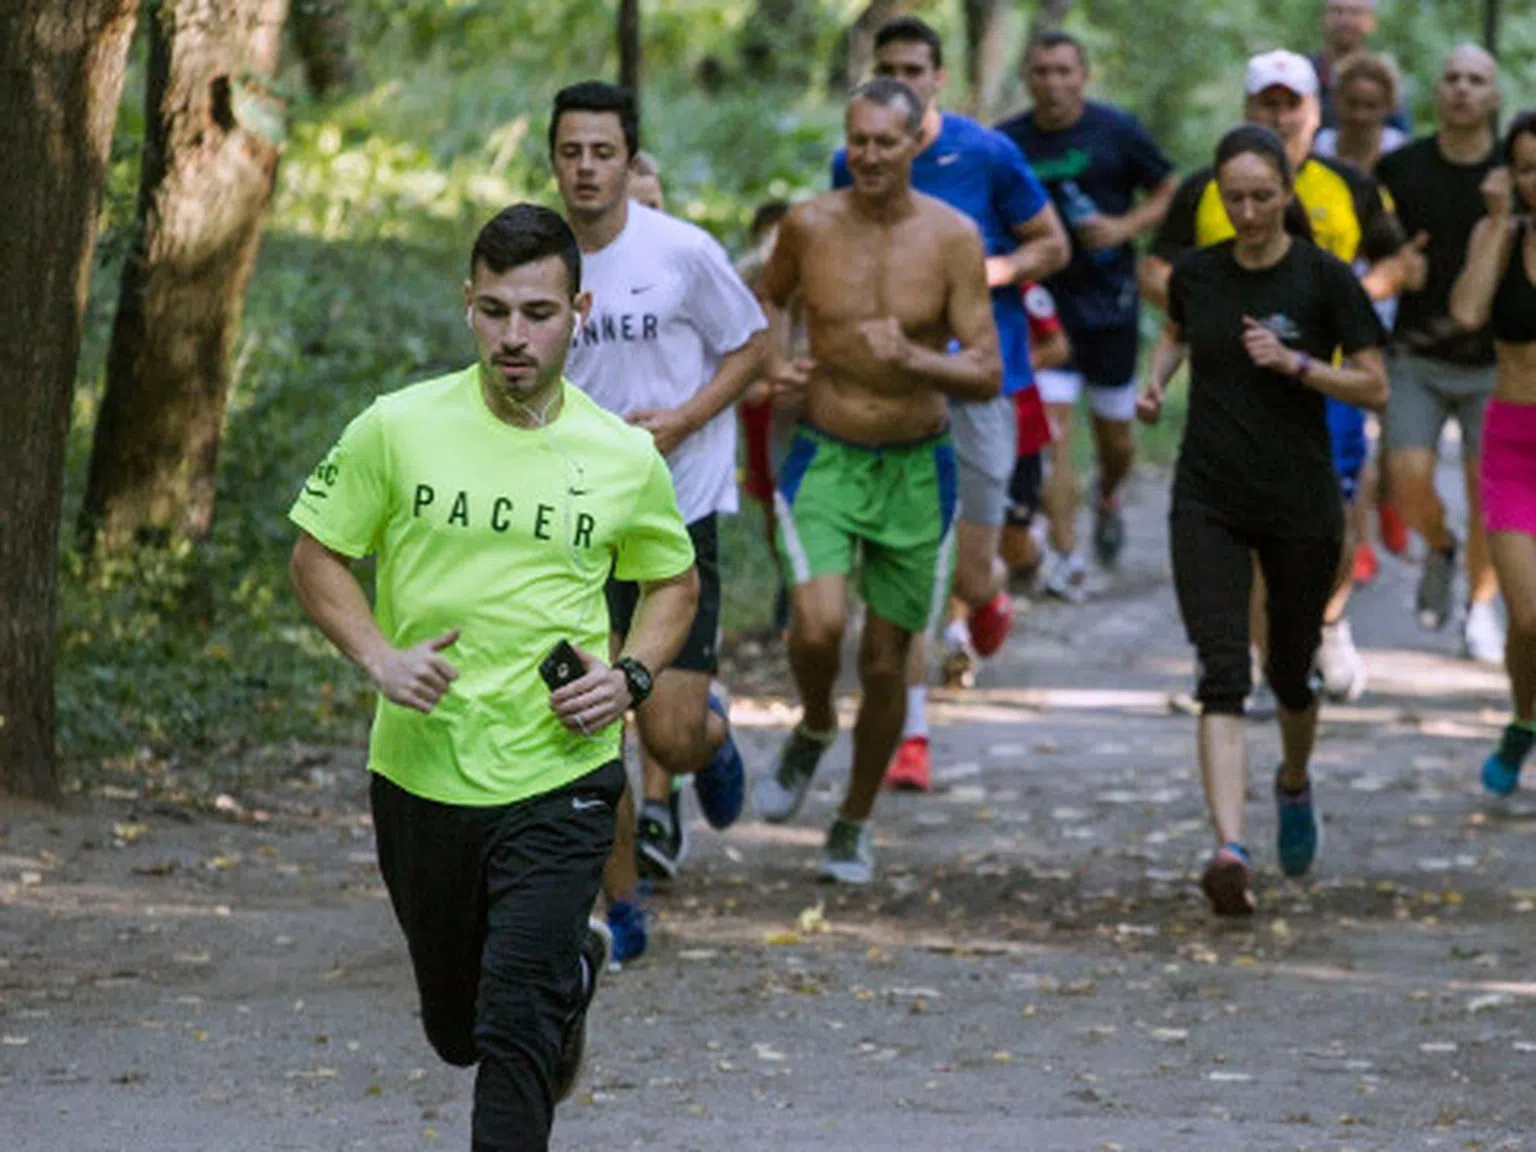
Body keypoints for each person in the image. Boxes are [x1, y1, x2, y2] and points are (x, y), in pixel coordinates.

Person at [286, 204, 700, 1148]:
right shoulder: (399, 427)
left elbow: (674, 580)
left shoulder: (623, 455)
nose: (516, 335)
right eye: (497, 311)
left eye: (539, 313)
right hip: (421, 769)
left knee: (514, 1026)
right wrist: (379, 655)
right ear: (467, 306)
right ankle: (574, 982)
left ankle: (553, 985)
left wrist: (631, 675)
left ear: (578, 311)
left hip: (561, 773)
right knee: (457, 1029)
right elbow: (317, 555)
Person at [752, 77, 1003, 881]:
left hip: (917, 468)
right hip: (826, 451)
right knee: (819, 626)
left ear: (913, 146)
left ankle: (853, 819)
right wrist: (775, 363)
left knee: (892, 664)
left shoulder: (954, 237)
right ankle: (816, 722)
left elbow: (989, 370)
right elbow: (768, 297)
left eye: (884, 142)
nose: (866, 155)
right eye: (856, 140)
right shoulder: (808, 224)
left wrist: (917, 359)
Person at [1138, 125, 1388, 916]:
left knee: (1289, 669)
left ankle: (1292, 780)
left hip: (1299, 501)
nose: (1247, 212)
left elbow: (1376, 386)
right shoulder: (1199, 275)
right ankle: (1229, 851)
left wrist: (1300, 365)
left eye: (1261, 197)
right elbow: (1177, 336)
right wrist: (1154, 385)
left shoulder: (1323, 279)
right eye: (1233, 198)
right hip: (1207, 496)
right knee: (1221, 671)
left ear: (1287, 193)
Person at [550, 82, 768, 907]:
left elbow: (750, 346)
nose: (586, 169)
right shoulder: (542, 260)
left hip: (676, 508)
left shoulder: (681, 250)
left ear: (628, 159)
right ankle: (623, 900)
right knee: (591, 718)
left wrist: (682, 419)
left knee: (667, 738)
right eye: (570, 153)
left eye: (602, 152)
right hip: (574, 520)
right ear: (553, 161)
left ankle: (708, 738)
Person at [840, 16, 1068, 788]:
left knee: (971, 573)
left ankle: (991, 600)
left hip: (979, 380)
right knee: (906, 571)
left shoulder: (986, 153)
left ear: (938, 78)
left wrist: (985, 276)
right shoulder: (855, 161)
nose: (901, 78)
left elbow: (1053, 244)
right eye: (889, 66)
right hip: (891, 386)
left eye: (915, 67)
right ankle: (912, 734)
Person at [1145, 50, 1407, 708]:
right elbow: (1160, 274)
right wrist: (1197, 317)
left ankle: (1324, 622)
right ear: (1249, 107)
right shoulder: (1201, 189)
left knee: (1332, 523)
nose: (1281, 113)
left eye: (1294, 102)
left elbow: (1399, 262)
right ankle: (1265, 665)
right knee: (1245, 532)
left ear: (1315, 112)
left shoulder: (1347, 183)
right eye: (1269, 101)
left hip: (1325, 375)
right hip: (1227, 385)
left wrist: (1346, 301)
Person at [997, 29, 1179, 595]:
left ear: (1084, 76)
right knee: (1052, 437)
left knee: (1115, 443)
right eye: (1042, 72)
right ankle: (1067, 557)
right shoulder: (1007, 142)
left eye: (1064, 71)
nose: (1053, 83)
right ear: (1027, 78)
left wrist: (1123, 228)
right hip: (1042, 309)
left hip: (1111, 307)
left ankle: (1109, 494)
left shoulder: (1115, 130)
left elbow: (1169, 186)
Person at [1376, 46, 1505, 662]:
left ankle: (1480, 608)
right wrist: (1397, 267)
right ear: (1436, 92)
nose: (1462, 89)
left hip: (1498, 361)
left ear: (1494, 96)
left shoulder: (1517, 169)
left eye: (1475, 80)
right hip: (1416, 354)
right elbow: (1369, 250)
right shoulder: (1400, 168)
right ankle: (1439, 546)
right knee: (1406, 479)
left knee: (1490, 493)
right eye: (1451, 78)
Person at [1450, 110, 1536, 794]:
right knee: (1529, 616)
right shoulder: (1498, 235)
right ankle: (1524, 718)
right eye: (1526, 167)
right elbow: (1470, 313)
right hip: (1513, 441)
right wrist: (1500, 223)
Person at [736, 199, 802, 633]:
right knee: (769, 502)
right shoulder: (742, 279)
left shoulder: (811, 280)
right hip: (759, 409)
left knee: (800, 499)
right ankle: (788, 582)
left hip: (804, 410)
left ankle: (804, 589)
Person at [1000, 281, 1072, 586]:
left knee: (1014, 542)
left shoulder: (1025, 291)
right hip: (962, 419)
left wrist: (1015, 366)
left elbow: (1059, 347)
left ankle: (1039, 546)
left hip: (1022, 426)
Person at [1312, 0, 1411, 135]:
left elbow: (1402, 136)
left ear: (1371, 21)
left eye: (1355, 13)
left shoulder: (1383, 76)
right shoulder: (1305, 72)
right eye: (1337, 11)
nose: (1345, 20)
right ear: (1324, 18)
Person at [1313, 52, 1408, 171]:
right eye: (1352, 103)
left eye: (1371, 106)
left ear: (1388, 106)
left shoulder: (1398, 150)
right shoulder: (1322, 147)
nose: (1360, 115)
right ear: (1337, 99)